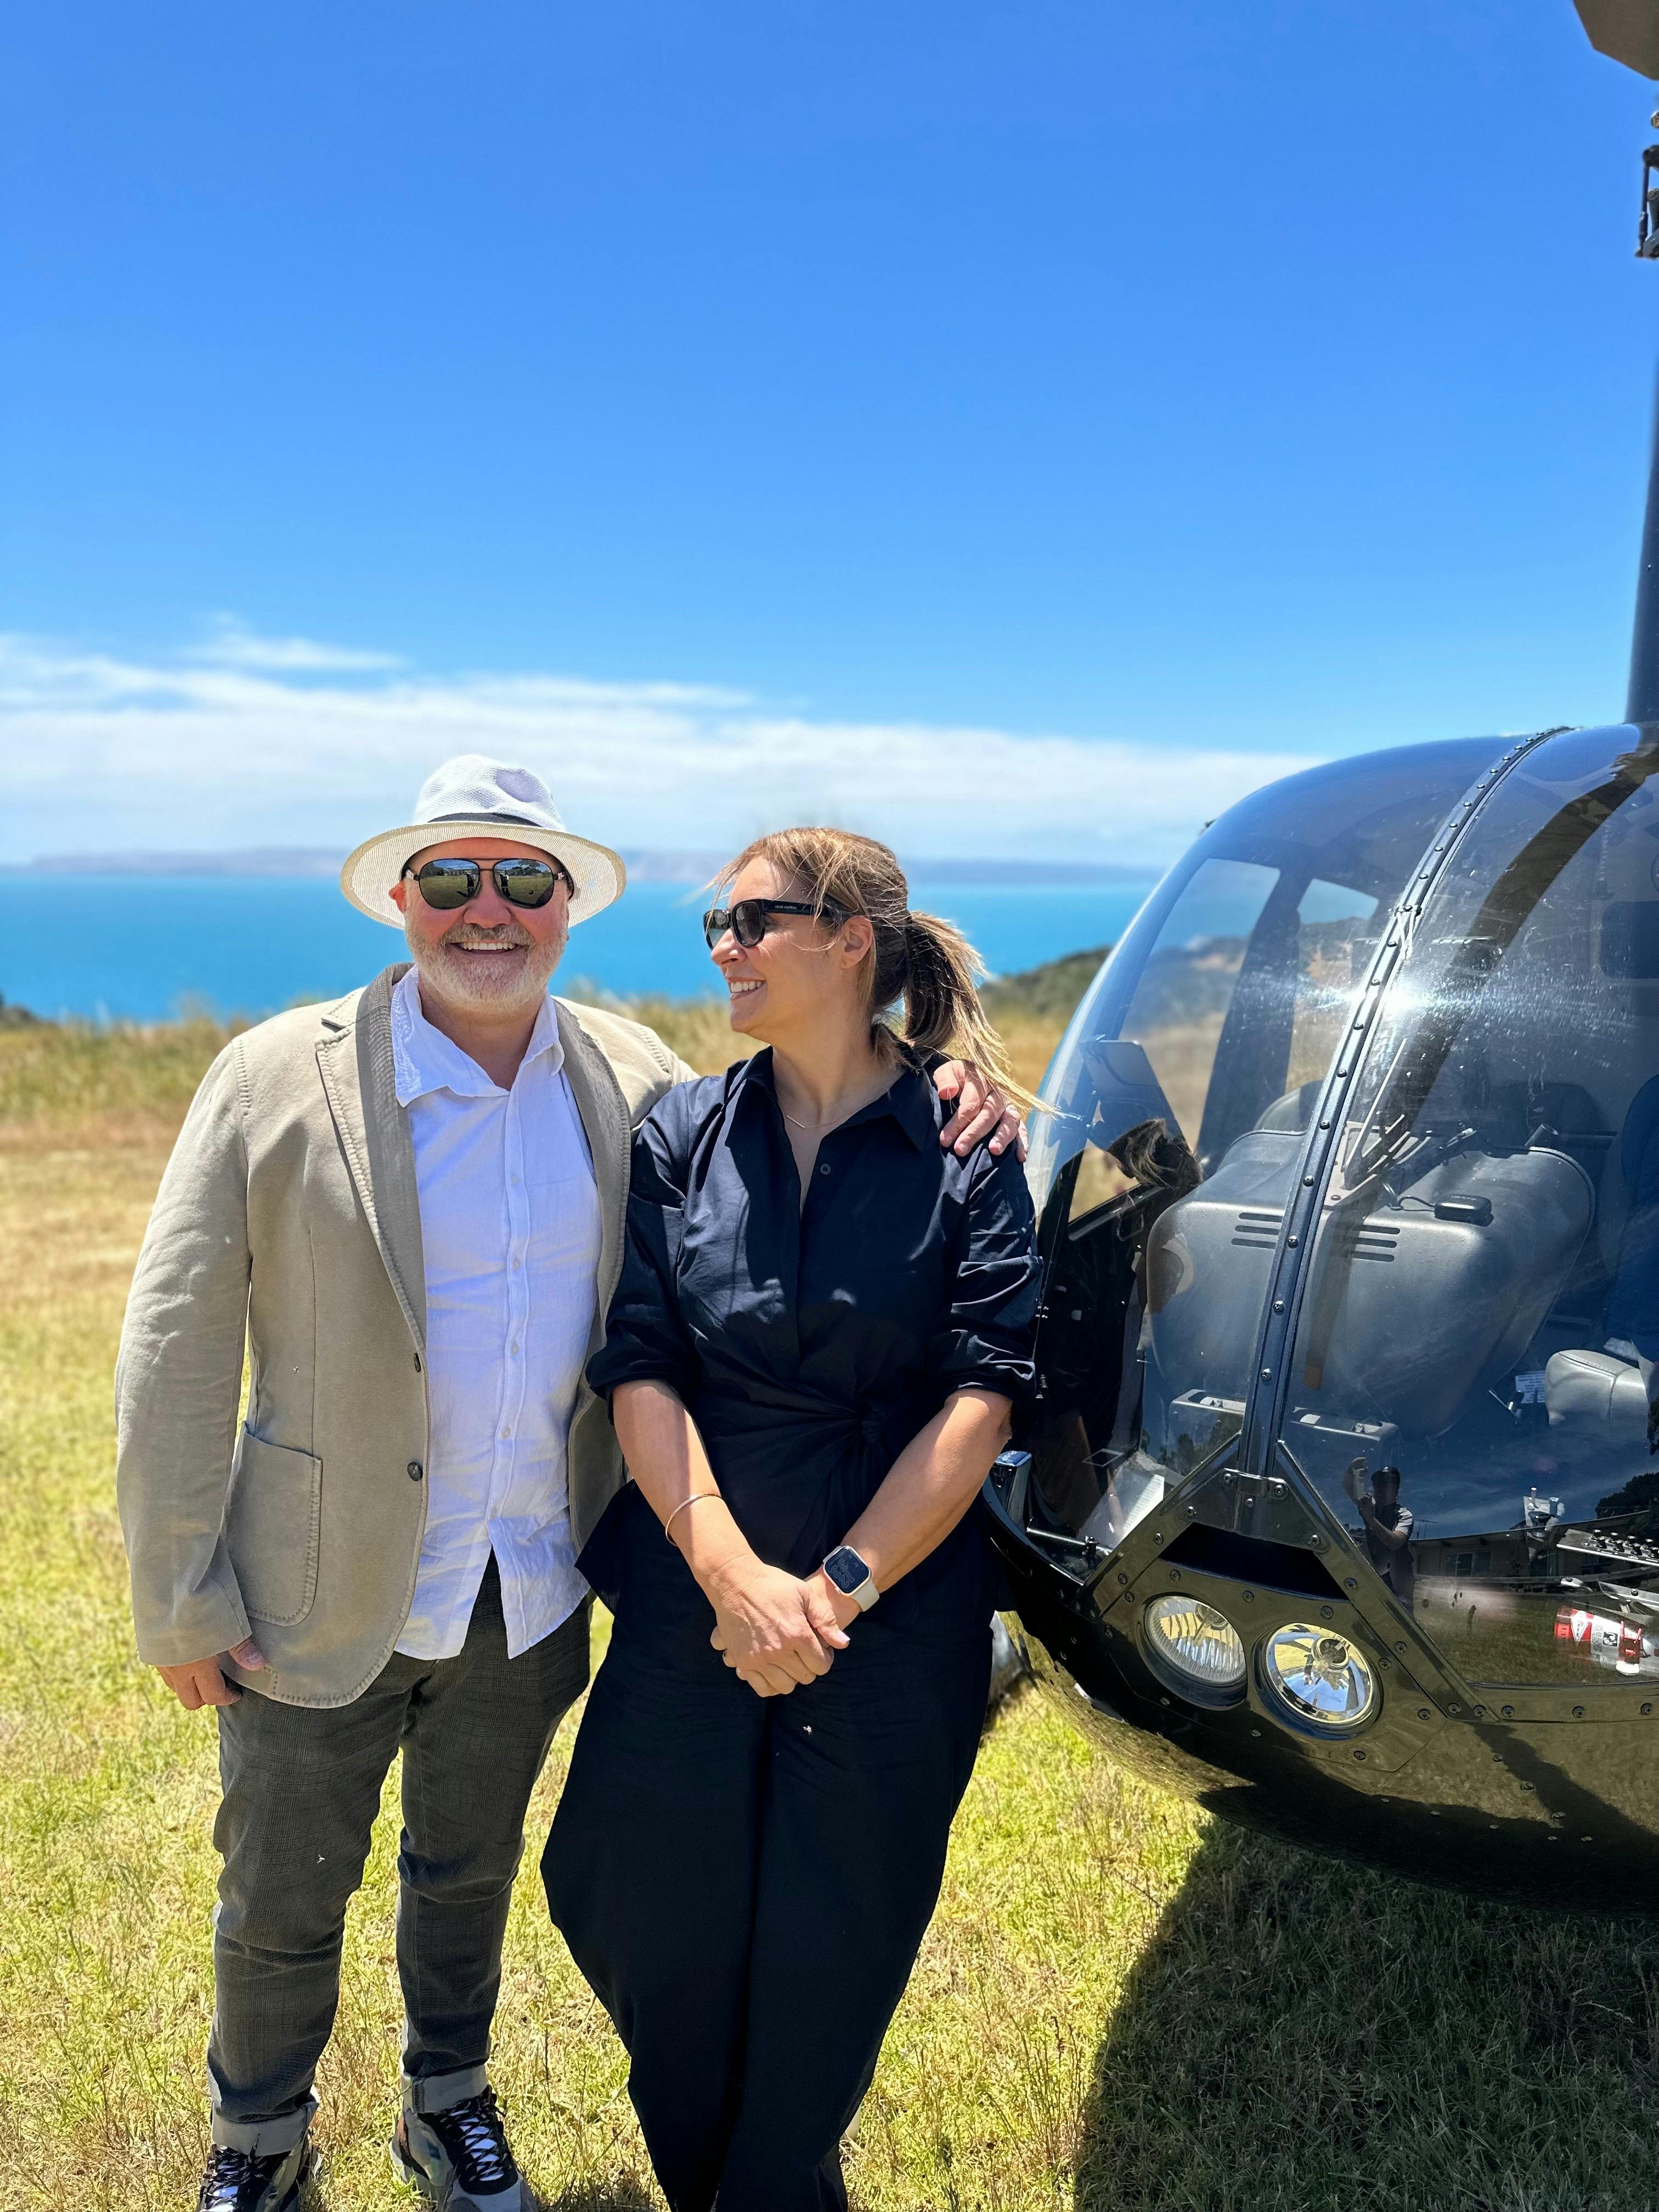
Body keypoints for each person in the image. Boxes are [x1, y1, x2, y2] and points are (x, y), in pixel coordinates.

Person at [114, 761, 1018, 2212]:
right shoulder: (273, 1074)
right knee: (279, 1900)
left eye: (523, 881)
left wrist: (948, 1084)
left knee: (465, 1877)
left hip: (527, 1587)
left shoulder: (634, 1080)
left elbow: (805, 1106)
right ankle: (259, 2136)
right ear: (403, 897)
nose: (489, 911)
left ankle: (446, 2102)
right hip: (309, 1590)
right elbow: (173, 1343)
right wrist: (178, 1591)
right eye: (453, 880)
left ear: (565, 908)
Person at [541, 826, 1041, 2212]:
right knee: (630, 1888)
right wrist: (729, 1578)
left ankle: (773, 2184)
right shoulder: (682, 1130)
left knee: (832, 1941)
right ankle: (735, 2178)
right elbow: (639, 1361)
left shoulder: (962, 1137)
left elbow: (984, 1396)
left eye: (754, 920)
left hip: (887, 1618)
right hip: (697, 1597)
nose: (723, 947)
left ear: (849, 940)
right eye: (716, 922)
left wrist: (831, 1588)